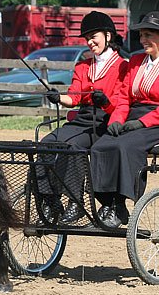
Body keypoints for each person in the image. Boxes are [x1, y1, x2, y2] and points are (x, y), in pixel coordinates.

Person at [90, 11, 159, 229]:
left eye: (148, 35)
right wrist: (116, 119)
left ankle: (121, 201)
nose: (143, 40)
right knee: (101, 146)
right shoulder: (135, 62)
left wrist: (141, 123)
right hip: (133, 115)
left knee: (126, 145)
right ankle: (108, 203)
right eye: (141, 35)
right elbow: (124, 97)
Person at [37, 11, 128, 223]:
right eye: (87, 38)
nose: (89, 42)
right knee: (46, 143)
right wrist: (58, 97)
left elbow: (121, 102)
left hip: (106, 119)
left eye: (93, 37)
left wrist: (104, 100)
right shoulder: (83, 66)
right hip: (83, 118)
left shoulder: (123, 66)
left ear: (107, 35)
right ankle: (50, 200)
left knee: (72, 145)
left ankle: (75, 202)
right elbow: (73, 97)